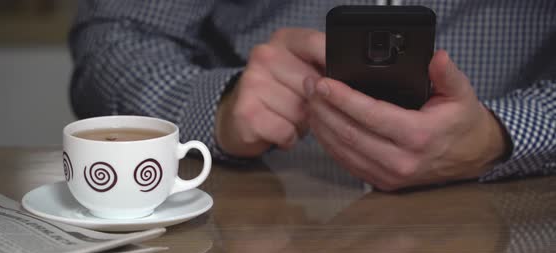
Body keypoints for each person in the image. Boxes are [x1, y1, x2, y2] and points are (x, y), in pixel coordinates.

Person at [69, 0, 556, 191]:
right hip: (253, 201)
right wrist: (214, 106)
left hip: (516, 206)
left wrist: (505, 133)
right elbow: (114, 35)